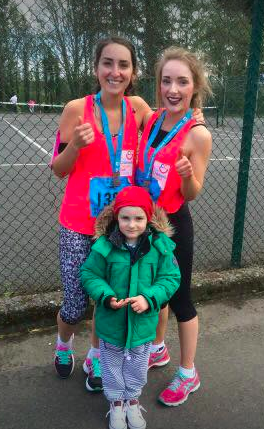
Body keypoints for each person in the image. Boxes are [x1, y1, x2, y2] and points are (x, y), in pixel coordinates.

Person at [51, 36, 203, 391]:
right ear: (96, 68)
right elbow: (58, 168)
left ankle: (98, 357)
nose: (115, 72)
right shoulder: (77, 109)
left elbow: (169, 120)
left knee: (112, 296)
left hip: (121, 225)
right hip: (78, 223)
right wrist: (75, 144)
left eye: (123, 65)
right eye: (108, 63)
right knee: (74, 303)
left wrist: (194, 112)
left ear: (133, 72)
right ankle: (63, 346)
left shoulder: (138, 108)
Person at [135, 46, 212, 406]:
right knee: (155, 290)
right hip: (146, 219)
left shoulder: (198, 135)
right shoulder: (151, 118)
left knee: (180, 298)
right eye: (167, 80)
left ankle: (188, 373)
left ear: (194, 86)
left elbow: (193, 192)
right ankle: (157, 349)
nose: (173, 88)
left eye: (182, 81)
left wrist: (185, 177)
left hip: (175, 223)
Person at [80, 186, 181, 429]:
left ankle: (132, 400)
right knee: (111, 365)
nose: (132, 224)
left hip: (142, 325)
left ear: (149, 218)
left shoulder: (160, 247)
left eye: (139, 218)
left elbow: (170, 278)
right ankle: (116, 404)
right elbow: (90, 274)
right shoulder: (104, 246)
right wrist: (106, 295)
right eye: (125, 218)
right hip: (111, 324)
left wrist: (148, 298)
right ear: (116, 217)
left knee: (137, 365)